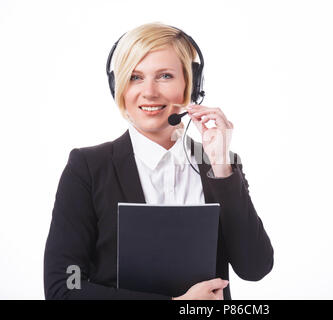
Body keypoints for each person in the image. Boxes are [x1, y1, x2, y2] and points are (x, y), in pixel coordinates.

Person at [43, 22, 274, 300]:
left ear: (191, 84)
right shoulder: (88, 168)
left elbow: (255, 267)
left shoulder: (218, 165)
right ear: (119, 87)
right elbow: (65, 287)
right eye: (135, 77)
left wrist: (222, 169)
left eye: (165, 76)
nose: (149, 92)